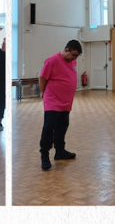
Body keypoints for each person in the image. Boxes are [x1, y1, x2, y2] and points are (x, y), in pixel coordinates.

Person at [38, 39, 82, 171]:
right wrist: (42, 92)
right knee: (49, 126)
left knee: (63, 126)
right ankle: (44, 155)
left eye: (77, 56)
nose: (75, 58)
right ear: (66, 50)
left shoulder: (72, 60)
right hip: (52, 100)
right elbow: (42, 77)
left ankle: (60, 151)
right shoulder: (52, 60)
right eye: (73, 55)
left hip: (66, 101)